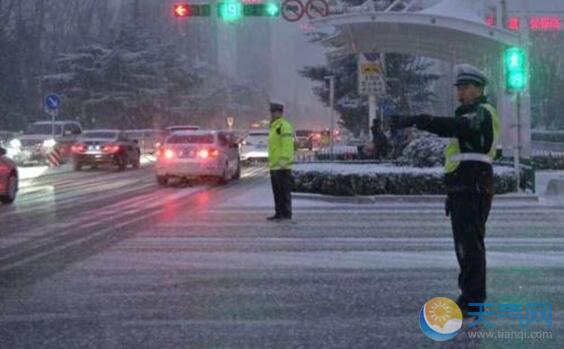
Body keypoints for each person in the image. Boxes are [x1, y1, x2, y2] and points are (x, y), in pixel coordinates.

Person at [391, 64, 501, 317]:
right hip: (464, 185)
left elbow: (458, 127)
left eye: (466, 88)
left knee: (470, 246)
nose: (460, 93)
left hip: (473, 183)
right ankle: (469, 296)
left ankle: (472, 300)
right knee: (464, 244)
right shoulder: (469, 114)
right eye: (459, 88)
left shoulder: (483, 112)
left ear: (479, 89)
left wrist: (421, 120)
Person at [267, 102, 295, 221]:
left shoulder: (284, 126)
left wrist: (284, 159)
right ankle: (279, 213)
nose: (273, 114)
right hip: (274, 166)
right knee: (277, 192)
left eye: (275, 112)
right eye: (272, 112)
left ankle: (286, 213)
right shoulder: (273, 127)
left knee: (284, 192)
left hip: (282, 165)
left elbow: (287, 144)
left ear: (280, 112)